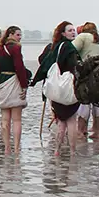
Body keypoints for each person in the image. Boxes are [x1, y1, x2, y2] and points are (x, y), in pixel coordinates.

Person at [35, 21, 81, 156]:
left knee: (61, 121)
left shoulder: (56, 46)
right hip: (68, 87)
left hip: (56, 89)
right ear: (63, 33)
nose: (73, 32)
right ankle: (72, 151)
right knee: (71, 121)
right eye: (70, 30)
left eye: (73, 30)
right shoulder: (69, 47)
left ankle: (57, 150)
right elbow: (74, 66)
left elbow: (44, 62)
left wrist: (36, 80)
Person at [0, 26, 31, 155]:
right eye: (18, 34)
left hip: (2, 81)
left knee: (5, 118)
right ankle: (16, 148)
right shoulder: (16, 48)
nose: (20, 37)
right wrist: (24, 85)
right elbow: (19, 67)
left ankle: (6, 148)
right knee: (17, 119)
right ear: (10, 34)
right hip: (14, 81)